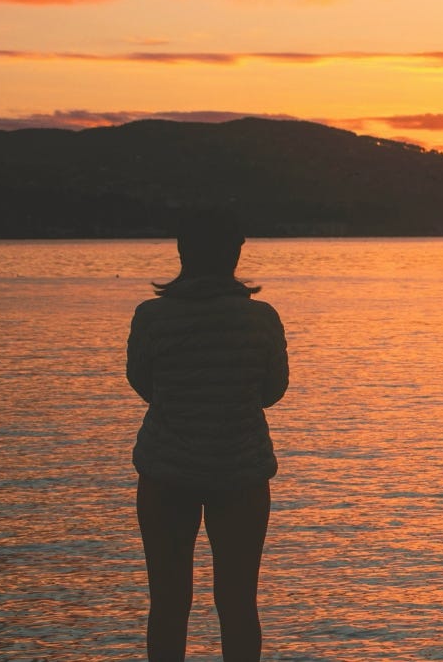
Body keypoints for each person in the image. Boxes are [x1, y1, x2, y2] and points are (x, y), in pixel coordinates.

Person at [127, 210, 288, 661]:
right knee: (238, 604)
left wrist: (181, 402)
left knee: (168, 604)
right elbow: (273, 391)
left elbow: (142, 383)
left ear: (183, 252)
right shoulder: (260, 319)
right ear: (235, 254)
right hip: (241, 472)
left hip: (165, 472)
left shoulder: (152, 317)